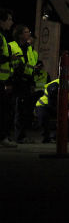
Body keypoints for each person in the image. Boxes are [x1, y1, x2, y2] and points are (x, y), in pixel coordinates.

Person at [35, 66, 69, 143]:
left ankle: (65, 136)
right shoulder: (56, 84)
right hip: (45, 106)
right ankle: (47, 136)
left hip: (60, 108)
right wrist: (62, 111)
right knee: (44, 118)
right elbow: (52, 101)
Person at [8, 24, 38, 143]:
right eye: (26, 32)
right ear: (20, 34)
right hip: (14, 81)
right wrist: (8, 82)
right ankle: (14, 136)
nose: (29, 34)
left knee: (23, 110)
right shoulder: (11, 46)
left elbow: (30, 68)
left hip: (25, 82)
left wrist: (32, 83)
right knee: (14, 109)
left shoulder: (29, 48)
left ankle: (20, 135)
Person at [0, 8, 16, 148]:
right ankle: (2, 138)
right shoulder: (0, 36)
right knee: (3, 109)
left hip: (2, 80)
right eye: (9, 19)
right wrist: (8, 58)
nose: (11, 22)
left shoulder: (2, 36)